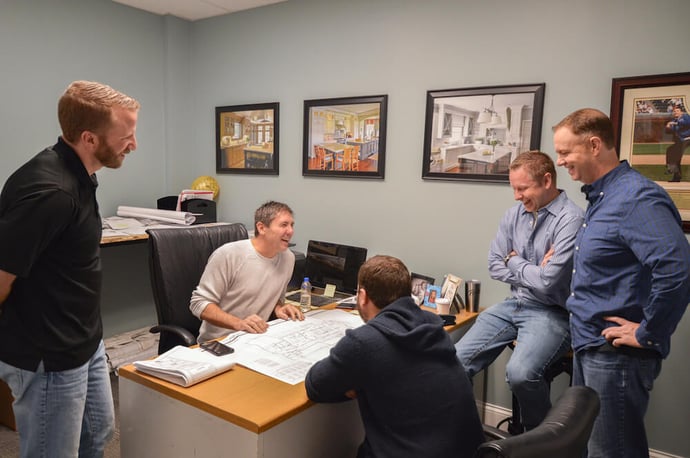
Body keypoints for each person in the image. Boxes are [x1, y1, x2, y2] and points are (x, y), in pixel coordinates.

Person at [0, 80, 140, 457]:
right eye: (126, 136)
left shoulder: (80, 172)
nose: (133, 144)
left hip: (84, 341)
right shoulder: (51, 192)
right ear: (89, 138)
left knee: (96, 435)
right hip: (48, 354)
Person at [553, 108, 690, 457]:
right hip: (589, 344)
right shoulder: (601, 197)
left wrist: (648, 332)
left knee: (612, 451)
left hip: (614, 356)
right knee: (595, 447)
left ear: (594, 145)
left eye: (565, 152)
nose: (560, 161)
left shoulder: (635, 198)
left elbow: (676, 269)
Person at [305, 255, 484, 458]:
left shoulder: (363, 342)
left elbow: (315, 385)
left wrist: (355, 384)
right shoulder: (433, 326)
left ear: (362, 296)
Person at [455, 151, 584, 431]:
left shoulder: (570, 219)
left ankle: (543, 442)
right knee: (453, 363)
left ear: (547, 180)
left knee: (521, 374)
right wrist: (535, 270)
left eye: (522, 188)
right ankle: (463, 434)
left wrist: (513, 260)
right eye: (513, 188)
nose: (516, 196)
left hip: (553, 312)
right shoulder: (513, 215)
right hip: (513, 304)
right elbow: (493, 266)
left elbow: (549, 282)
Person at [190, 200, 303, 342]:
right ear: (261, 228)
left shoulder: (288, 258)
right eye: (283, 225)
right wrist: (239, 323)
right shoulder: (229, 254)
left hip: (256, 339)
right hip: (220, 341)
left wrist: (279, 307)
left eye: (292, 225)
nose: (290, 231)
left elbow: (269, 295)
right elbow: (198, 303)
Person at [665, 104, 690, 182]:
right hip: (681, 140)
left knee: (676, 155)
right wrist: (668, 127)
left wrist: (673, 123)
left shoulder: (685, 116)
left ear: (681, 112)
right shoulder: (675, 120)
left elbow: (686, 123)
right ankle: (673, 171)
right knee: (670, 150)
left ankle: (674, 172)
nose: (675, 112)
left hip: (687, 139)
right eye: (674, 111)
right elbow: (669, 130)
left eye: (677, 111)